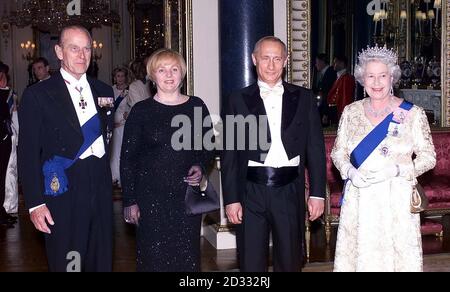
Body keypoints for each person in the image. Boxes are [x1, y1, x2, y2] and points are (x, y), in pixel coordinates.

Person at [221, 36, 326, 272]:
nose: (271, 65)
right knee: (250, 261)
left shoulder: (305, 98)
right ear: (254, 59)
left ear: (285, 61)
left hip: (290, 189)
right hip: (250, 191)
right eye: (265, 58)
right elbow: (230, 154)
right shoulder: (237, 99)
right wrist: (231, 198)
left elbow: (316, 150)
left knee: (290, 260)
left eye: (277, 59)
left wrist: (318, 193)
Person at [331, 46, 436, 272]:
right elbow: (338, 152)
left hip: (396, 198)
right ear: (362, 78)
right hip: (360, 196)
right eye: (370, 76)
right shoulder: (351, 112)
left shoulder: (412, 113)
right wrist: (350, 172)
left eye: (382, 75)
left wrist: (399, 170)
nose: (376, 82)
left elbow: (429, 157)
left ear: (392, 77)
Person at [18, 25, 114, 272]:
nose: (82, 55)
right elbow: (27, 153)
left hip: (101, 193)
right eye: (74, 48)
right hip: (63, 192)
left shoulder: (103, 90)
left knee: (100, 260)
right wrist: (35, 203)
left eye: (87, 49)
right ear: (59, 51)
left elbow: (107, 139)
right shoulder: (38, 95)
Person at [121, 48, 214, 272]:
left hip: (185, 198)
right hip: (149, 200)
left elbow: (208, 147)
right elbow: (127, 159)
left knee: (187, 259)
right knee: (153, 261)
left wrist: (200, 166)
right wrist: (130, 200)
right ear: (152, 76)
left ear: (182, 74)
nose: (169, 75)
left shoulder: (196, 106)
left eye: (174, 69)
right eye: (162, 70)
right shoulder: (141, 111)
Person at [0, 62, 18, 228]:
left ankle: (3, 211)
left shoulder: (4, 94)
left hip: (4, 139)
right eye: (2, 75)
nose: (4, 79)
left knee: (4, 176)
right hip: (2, 139)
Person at [110, 66, 130, 187]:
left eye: (122, 76)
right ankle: (114, 176)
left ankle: (124, 177)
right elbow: (107, 108)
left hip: (125, 125)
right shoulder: (110, 90)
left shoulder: (130, 90)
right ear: (114, 78)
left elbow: (133, 105)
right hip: (114, 125)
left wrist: (129, 113)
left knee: (124, 150)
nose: (120, 78)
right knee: (115, 151)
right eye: (118, 76)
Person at [327, 55, 355, 126]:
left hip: (340, 111)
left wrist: (343, 115)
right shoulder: (340, 77)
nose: (333, 65)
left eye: (335, 62)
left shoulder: (346, 78)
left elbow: (345, 99)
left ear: (341, 63)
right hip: (335, 111)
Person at [313, 53, 337, 126]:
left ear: (322, 62)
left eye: (317, 62)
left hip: (328, 110)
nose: (316, 65)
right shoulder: (324, 73)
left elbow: (327, 94)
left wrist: (325, 113)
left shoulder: (330, 73)